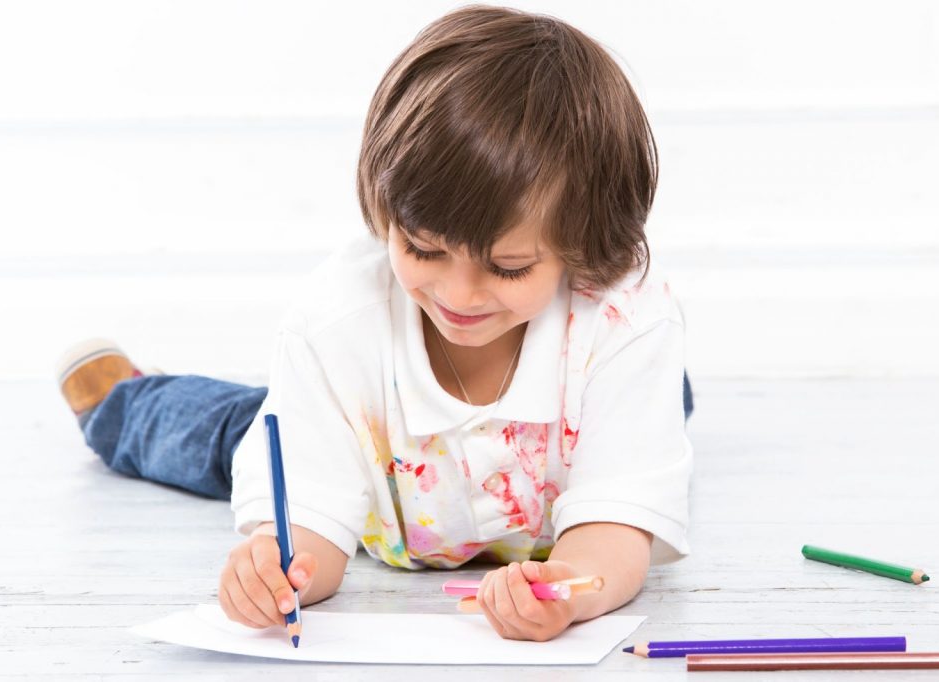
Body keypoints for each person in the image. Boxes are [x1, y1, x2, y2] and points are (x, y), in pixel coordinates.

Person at [56, 5, 694, 642]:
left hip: (559, 433)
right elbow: (309, 539)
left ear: (584, 246)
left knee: (661, 400)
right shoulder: (336, 326)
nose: (458, 294)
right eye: (423, 249)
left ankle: (663, 395)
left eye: (507, 267)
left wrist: (569, 591)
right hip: (369, 446)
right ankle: (123, 401)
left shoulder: (625, 325)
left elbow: (615, 531)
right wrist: (276, 571)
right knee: (233, 430)